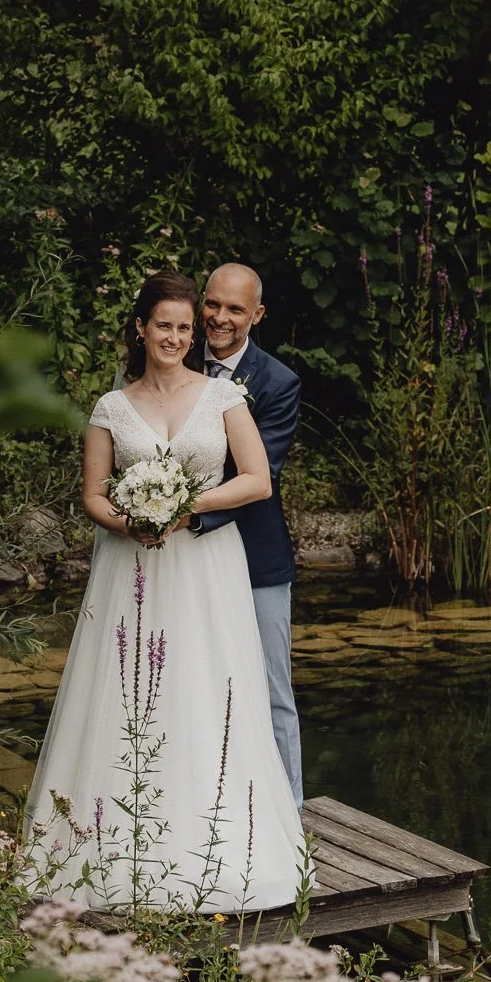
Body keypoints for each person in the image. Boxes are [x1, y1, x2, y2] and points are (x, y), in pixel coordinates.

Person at [25, 270, 308, 912]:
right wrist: (134, 519)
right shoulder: (110, 407)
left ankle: (215, 843)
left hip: (208, 568)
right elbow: (92, 496)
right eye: (166, 325)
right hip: (133, 569)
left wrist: (183, 506)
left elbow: (258, 480)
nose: (178, 336)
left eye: (185, 327)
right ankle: (111, 848)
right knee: (127, 694)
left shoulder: (224, 397)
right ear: (141, 328)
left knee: (210, 691)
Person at [191, 263, 304, 804]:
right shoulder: (173, 359)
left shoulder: (278, 383)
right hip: (181, 557)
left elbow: (260, 477)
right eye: (213, 304)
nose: (220, 318)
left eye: (235, 309)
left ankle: (290, 811)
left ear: (256, 316)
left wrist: (181, 509)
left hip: (255, 557)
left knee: (271, 689)